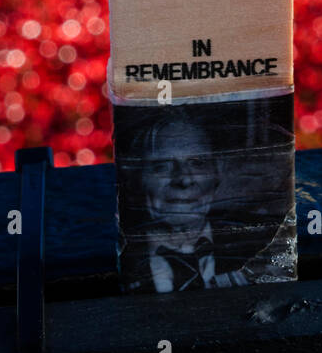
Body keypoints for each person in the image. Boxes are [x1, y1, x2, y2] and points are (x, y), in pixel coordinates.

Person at [115, 104, 295, 294]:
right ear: (135, 178)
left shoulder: (263, 246)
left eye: (198, 163)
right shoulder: (120, 262)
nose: (184, 179)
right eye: (162, 166)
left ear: (217, 171)